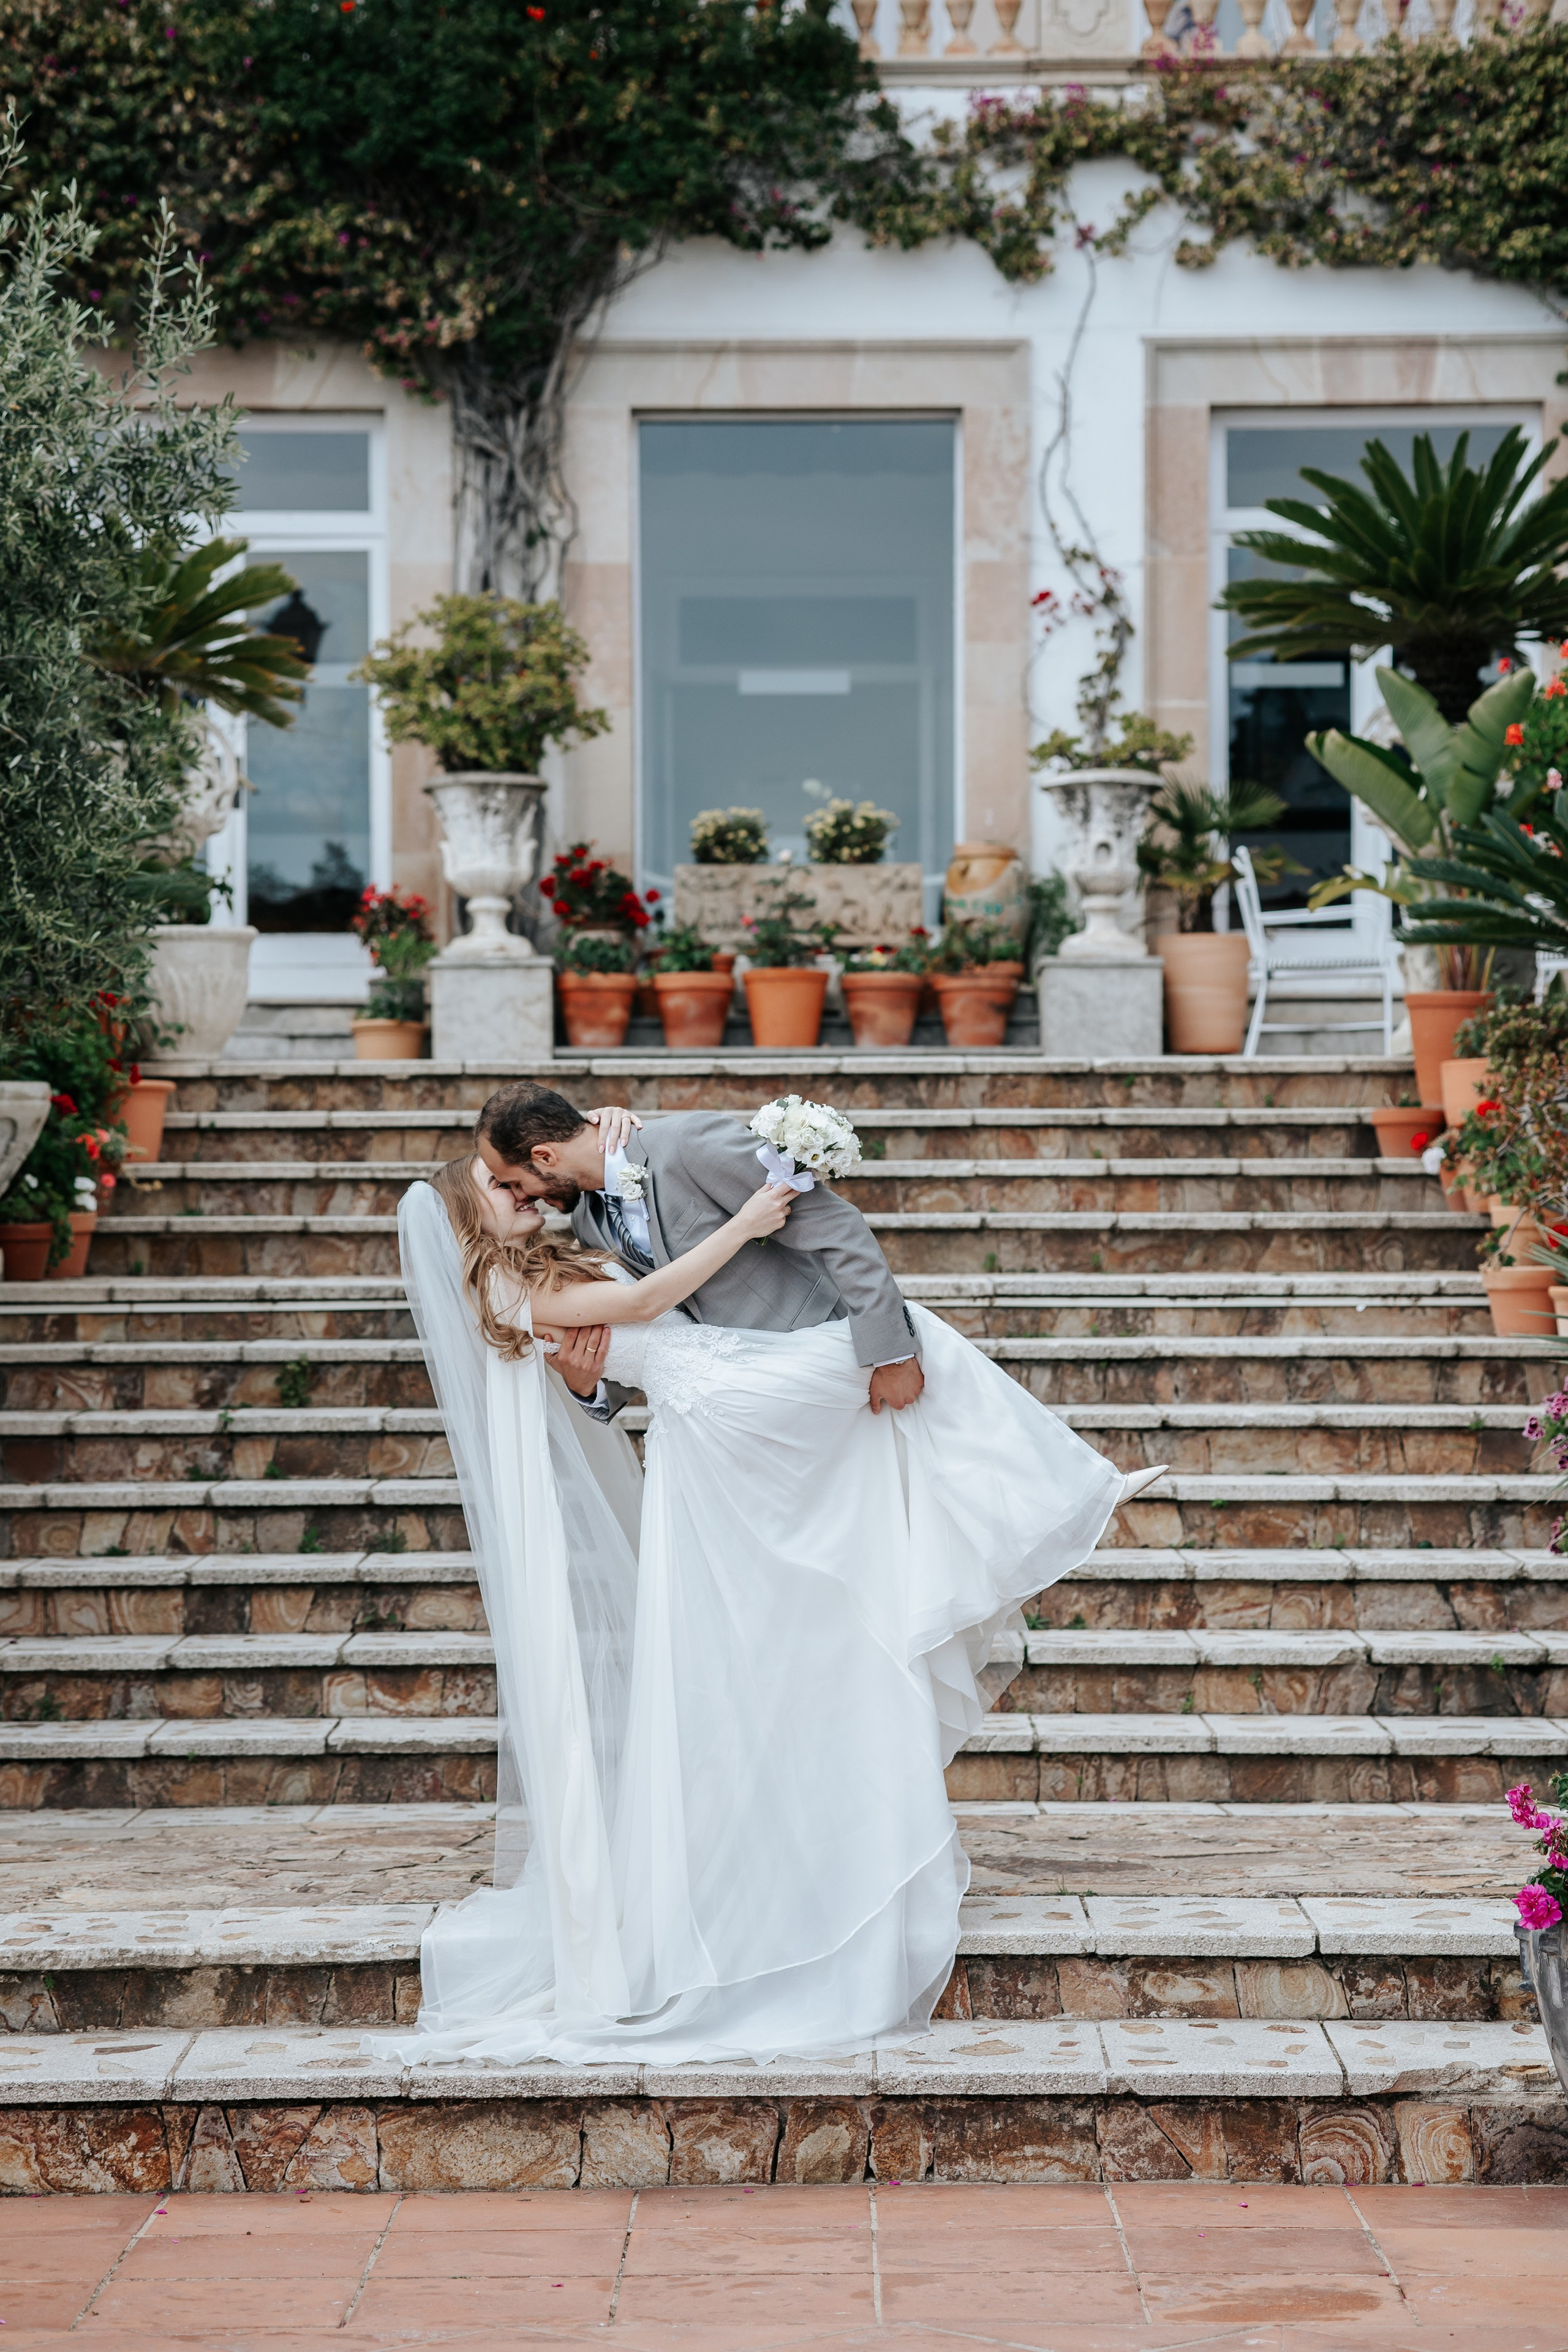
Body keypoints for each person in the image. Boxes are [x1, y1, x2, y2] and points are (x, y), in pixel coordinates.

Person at [390, 1099, 1163, 2068]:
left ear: (544, 1155)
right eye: (504, 1194)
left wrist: (879, 1342)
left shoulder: (626, 1188)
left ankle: (1044, 1492)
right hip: (711, 1423)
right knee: (771, 1631)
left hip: (735, 1395)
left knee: (896, 1354)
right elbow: (629, 1323)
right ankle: (1042, 1492)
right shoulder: (531, 1271)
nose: (522, 1198)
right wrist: (610, 1366)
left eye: (516, 1181)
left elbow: (795, 1244)